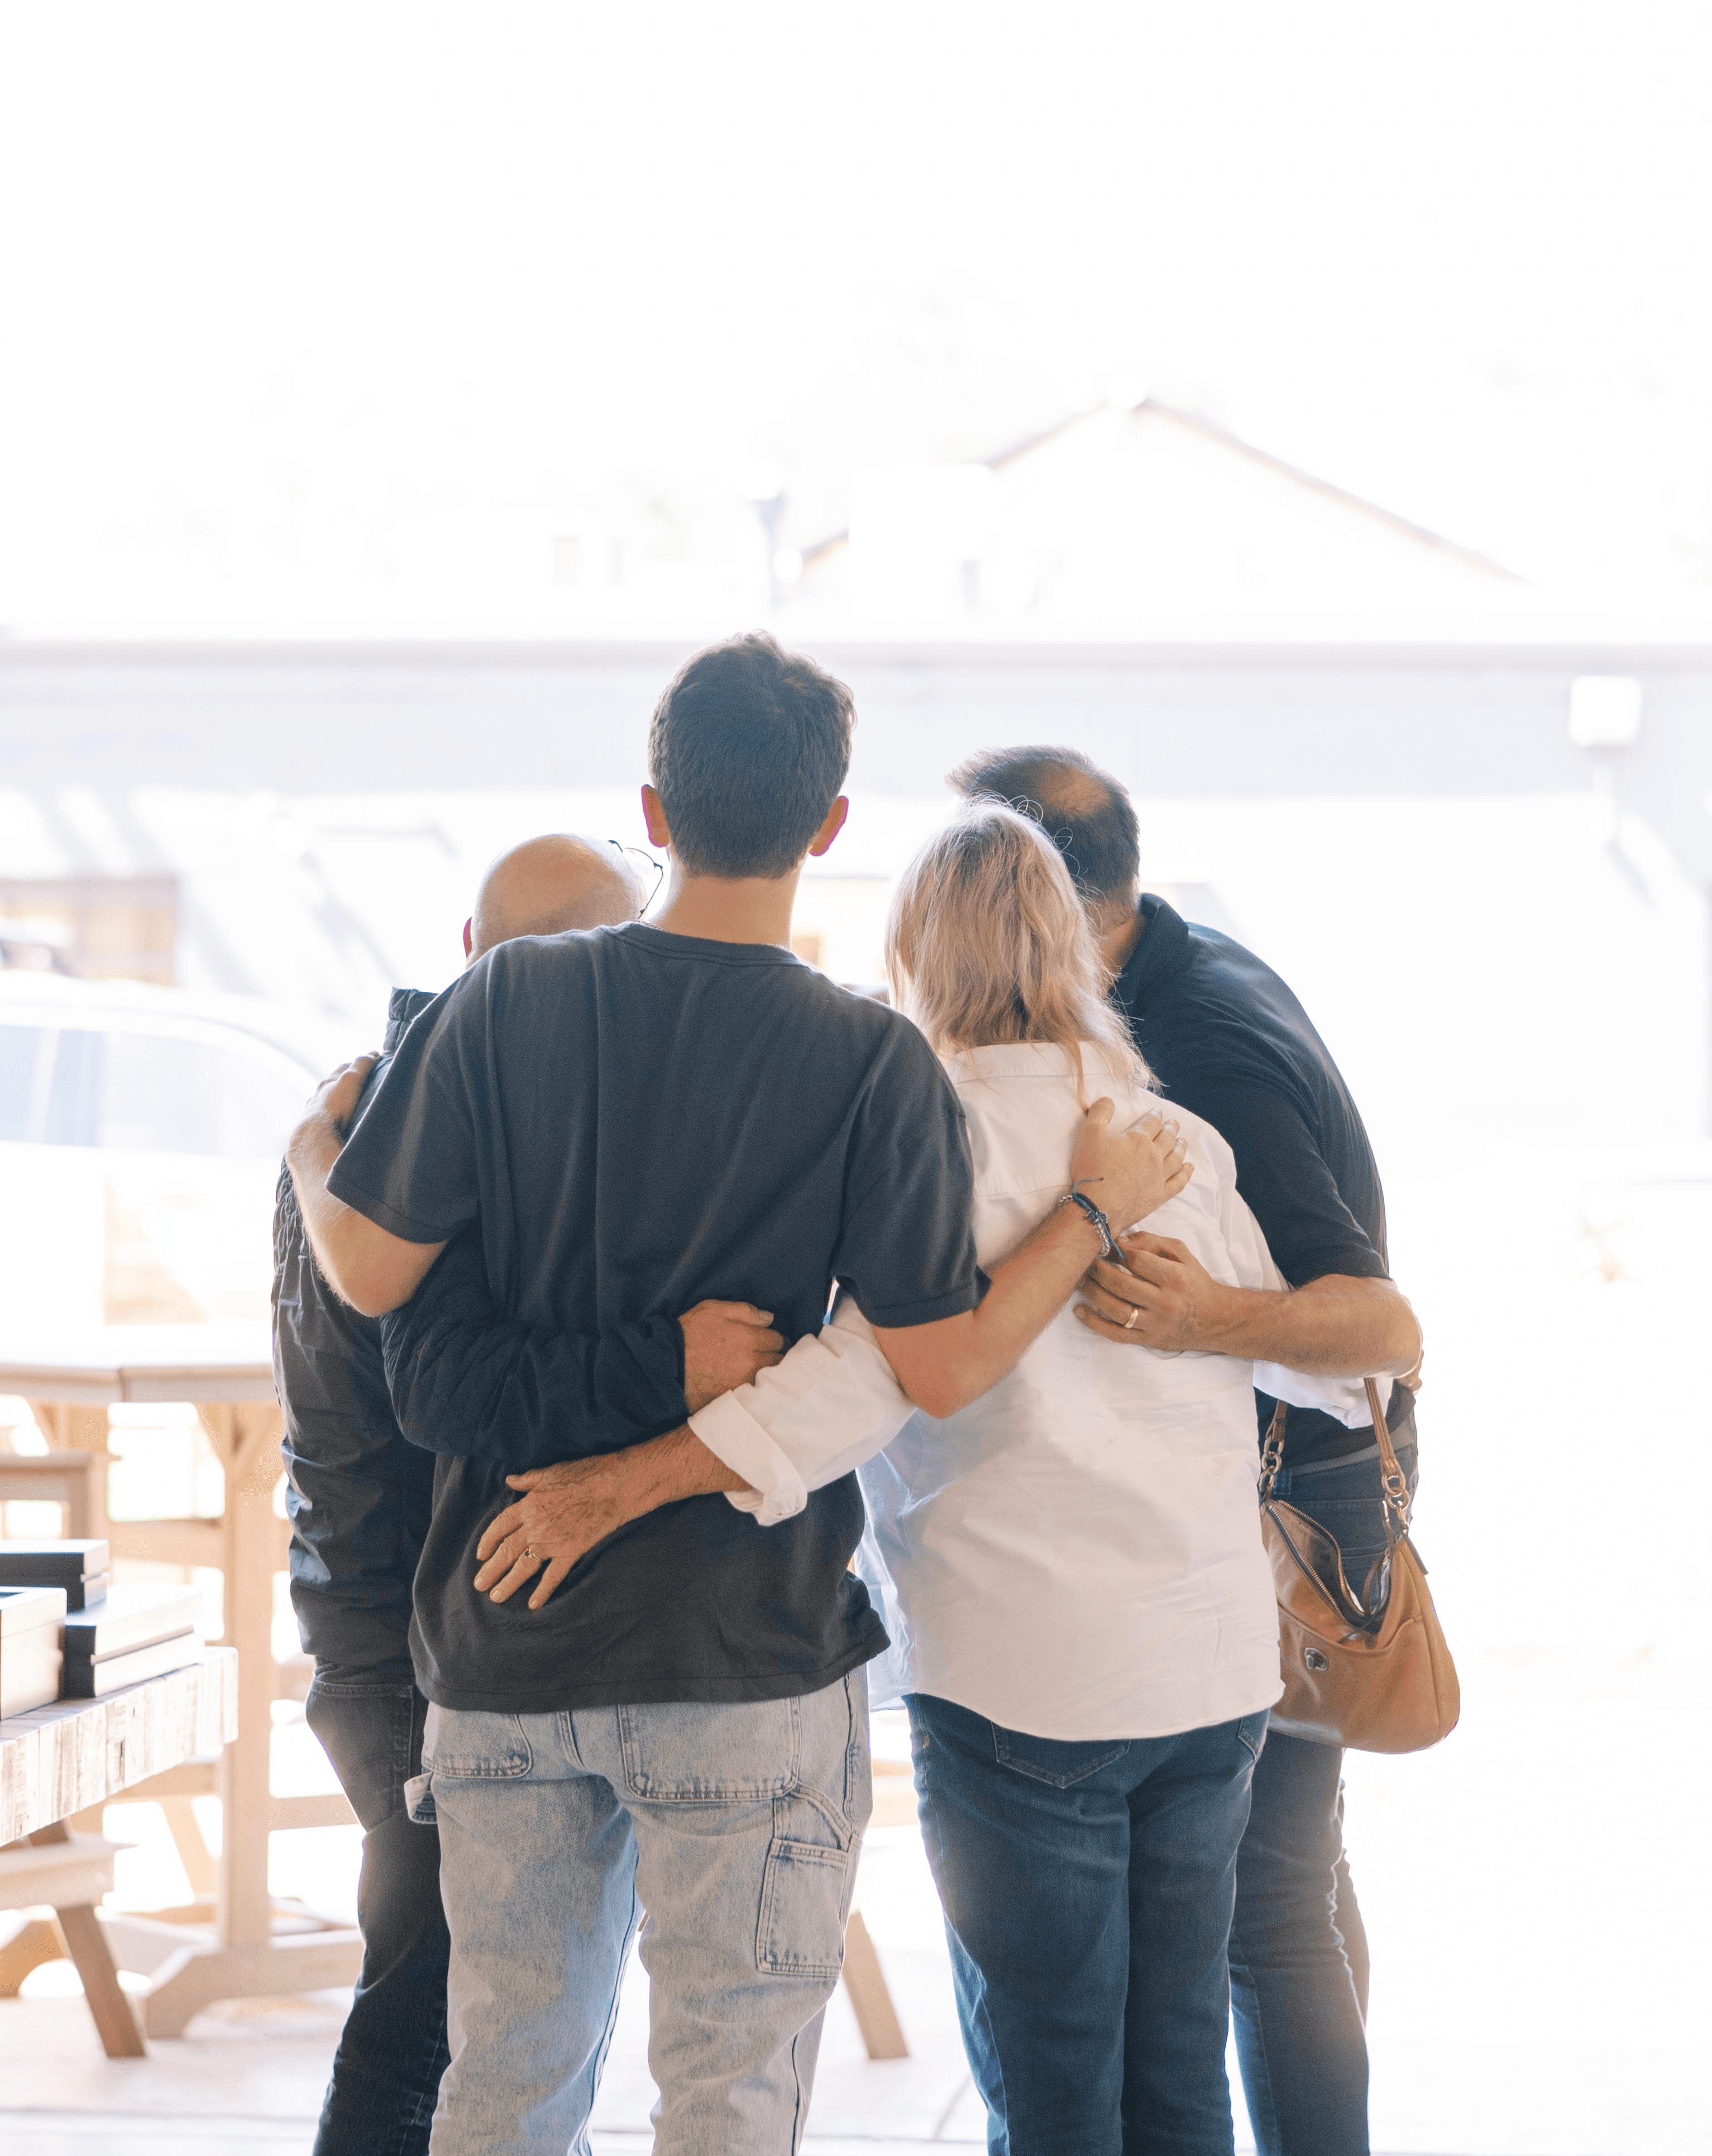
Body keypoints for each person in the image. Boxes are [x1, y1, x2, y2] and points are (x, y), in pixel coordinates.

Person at [283, 634, 1189, 2155]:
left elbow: (371, 1281)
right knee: (729, 2100)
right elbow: (940, 1363)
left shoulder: (501, 1000)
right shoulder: (869, 1058)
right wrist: (1092, 1212)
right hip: (743, 1654)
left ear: (653, 804)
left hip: (503, 1646)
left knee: (503, 2084)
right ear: (830, 825)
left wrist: (317, 1158)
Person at [465, 800, 1358, 2153]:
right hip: (1210, 1670)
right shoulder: (1172, 1140)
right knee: (1178, 2063)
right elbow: (1325, 1366)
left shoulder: (912, 1132)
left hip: (1023, 1680)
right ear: (1074, 949)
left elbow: (853, 1384)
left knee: (1055, 2077)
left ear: (914, 957)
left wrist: (616, 1486)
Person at [275, 831, 784, 2156]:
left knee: (461, 2024)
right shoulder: (442, 1120)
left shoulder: (361, 1114)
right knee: (437, 2034)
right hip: (417, 1645)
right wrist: (671, 1358)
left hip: (376, 1623)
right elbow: (449, 1386)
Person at [951, 746, 1422, 2156]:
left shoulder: (1194, 1039)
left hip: (1298, 1493)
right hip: (1270, 1484)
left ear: (1038, 902)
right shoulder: (1165, 965)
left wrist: (1200, 1312)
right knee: (1286, 1900)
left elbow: (1383, 1324)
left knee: (1268, 1916)